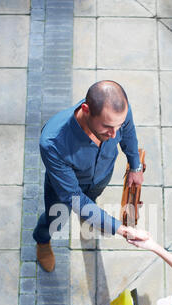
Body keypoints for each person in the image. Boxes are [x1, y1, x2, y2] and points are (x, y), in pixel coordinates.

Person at [33, 80, 144, 272]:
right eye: (108, 127)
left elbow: (128, 134)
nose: (114, 133)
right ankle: (42, 241)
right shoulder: (53, 142)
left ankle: (91, 217)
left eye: (118, 125)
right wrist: (120, 228)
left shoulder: (118, 112)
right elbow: (74, 197)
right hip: (65, 188)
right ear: (86, 109)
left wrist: (135, 167)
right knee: (55, 218)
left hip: (100, 177)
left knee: (91, 201)